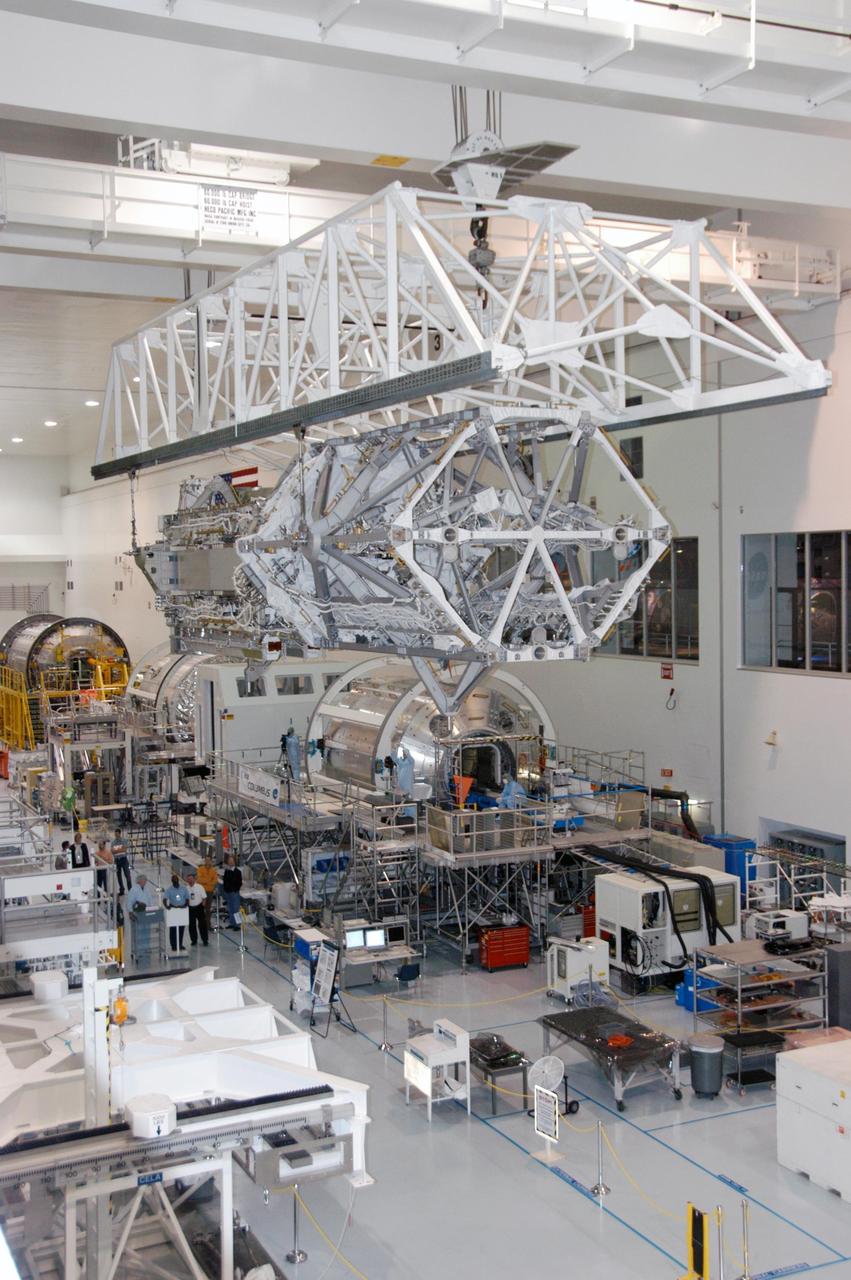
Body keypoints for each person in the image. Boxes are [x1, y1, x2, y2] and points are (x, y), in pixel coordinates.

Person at [163, 873, 189, 952]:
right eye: (174, 881)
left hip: (182, 909)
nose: (175, 882)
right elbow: (164, 899)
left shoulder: (183, 888)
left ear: (178, 881)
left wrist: (185, 905)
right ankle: (174, 945)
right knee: (173, 928)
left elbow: (187, 898)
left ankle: (180, 944)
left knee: (181, 928)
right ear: (172, 881)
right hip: (173, 909)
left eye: (176, 880)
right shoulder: (169, 890)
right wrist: (167, 906)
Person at [185, 871, 208, 947]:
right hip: (190, 908)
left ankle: (205, 940)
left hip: (199, 907)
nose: (190, 881)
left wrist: (203, 905)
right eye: (188, 879)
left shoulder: (200, 887)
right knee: (192, 925)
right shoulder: (186, 888)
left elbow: (204, 897)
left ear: (194, 879)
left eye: (191, 879)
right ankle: (194, 940)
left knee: (202, 925)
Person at [197, 852, 219, 929]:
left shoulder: (213, 870)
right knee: (201, 909)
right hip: (202, 892)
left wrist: (205, 881)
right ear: (204, 861)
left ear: (211, 861)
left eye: (209, 860)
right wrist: (209, 880)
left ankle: (207, 925)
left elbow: (215, 881)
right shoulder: (200, 869)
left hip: (209, 892)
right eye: (206, 860)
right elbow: (199, 880)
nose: (207, 861)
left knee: (208, 909)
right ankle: (201, 924)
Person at [222, 855, 242, 930]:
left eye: (232, 861)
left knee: (236, 909)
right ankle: (232, 923)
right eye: (229, 861)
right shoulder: (227, 871)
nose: (230, 862)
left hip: (235, 893)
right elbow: (225, 881)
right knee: (230, 909)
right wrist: (226, 890)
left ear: (234, 862)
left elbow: (239, 883)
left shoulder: (238, 872)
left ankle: (237, 925)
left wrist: (234, 890)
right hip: (228, 893)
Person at [111, 827, 131, 895]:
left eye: (117, 834)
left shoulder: (124, 841)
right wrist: (121, 849)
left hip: (124, 859)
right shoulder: (113, 842)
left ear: (120, 834)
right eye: (115, 834)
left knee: (127, 875)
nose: (116, 836)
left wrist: (117, 850)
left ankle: (130, 890)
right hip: (117, 860)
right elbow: (112, 851)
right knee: (118, 876)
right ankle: (121, 890)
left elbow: (124, 850)